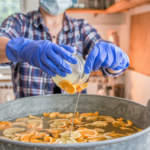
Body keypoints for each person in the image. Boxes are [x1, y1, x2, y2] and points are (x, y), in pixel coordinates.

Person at [0, 0, 129, 99]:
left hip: (75, 126)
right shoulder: (19, 23)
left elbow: (101, 52)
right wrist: (23, 49)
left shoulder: (82, 28)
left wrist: (115, 60)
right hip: (30, 126)